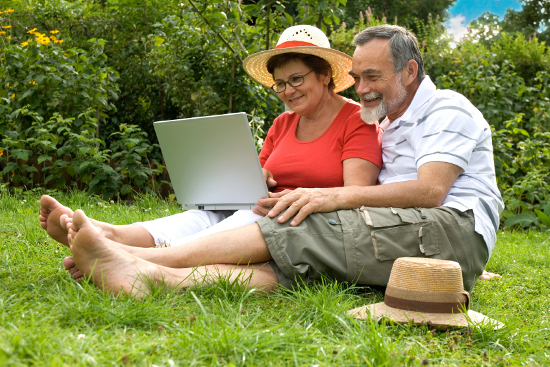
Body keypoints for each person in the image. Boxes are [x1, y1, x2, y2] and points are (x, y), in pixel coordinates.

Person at [47, 24, 505, 297]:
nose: (362, 86)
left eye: (372, 76)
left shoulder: (446, 108)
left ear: (409, 70)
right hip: (413, 227)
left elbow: (430, 192)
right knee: (288, 264)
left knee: (298, 221)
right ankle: (146, 272)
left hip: (446, 225)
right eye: (359, 76)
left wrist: (323, 197)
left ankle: (133, 258)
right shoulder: (387, 119)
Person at [40, 25, 382, 279]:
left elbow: (358, 194)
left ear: (324, 75)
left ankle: (128, 258)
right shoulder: (282, 123)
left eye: (295, 80)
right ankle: (108, 234)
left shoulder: (356, 121)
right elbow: (258, 177)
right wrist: (255, 177)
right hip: (262, 206)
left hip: (300, 220)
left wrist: (295, 196)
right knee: (205, 215)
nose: (286, 91)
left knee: (245, 218)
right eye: (279, 84)